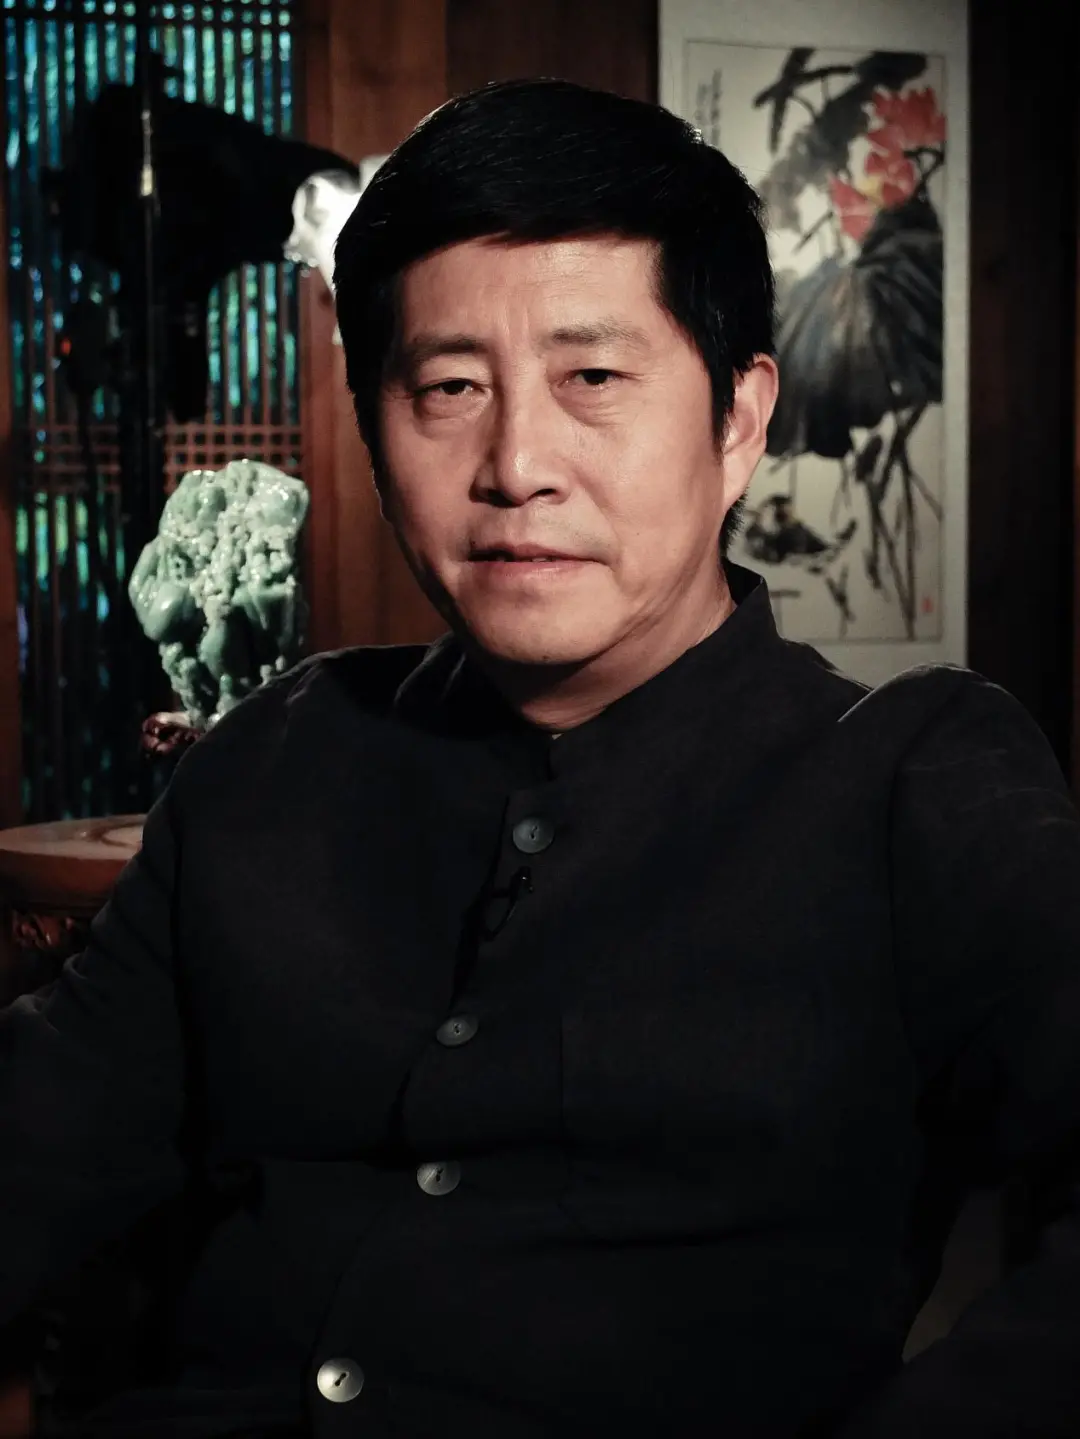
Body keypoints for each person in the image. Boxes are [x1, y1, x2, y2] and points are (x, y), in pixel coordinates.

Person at [2, 76, 1080, 1439]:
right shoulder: (272, 759)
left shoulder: (913, 779)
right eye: (449, 387)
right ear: (372, 421)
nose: (517, 464)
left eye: (594, 379)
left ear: (740, 419)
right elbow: (42, 1140)